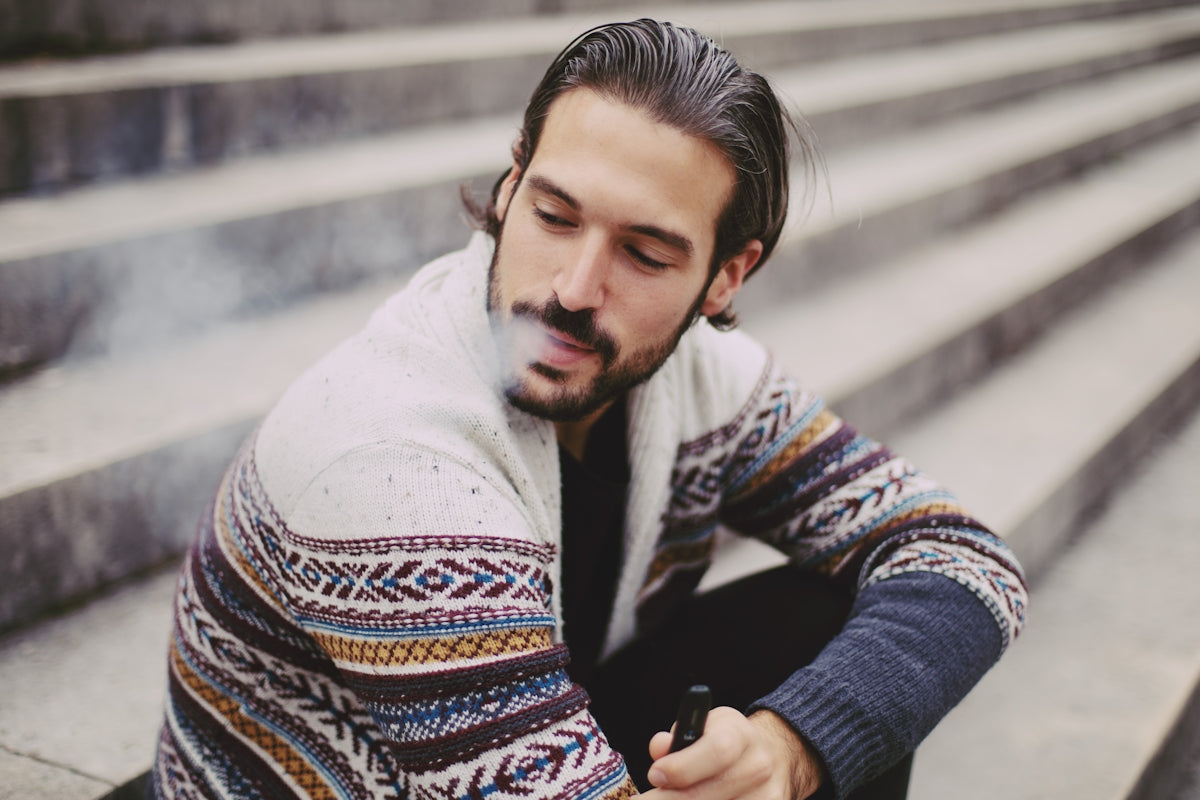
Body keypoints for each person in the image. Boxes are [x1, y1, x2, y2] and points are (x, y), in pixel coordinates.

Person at [150, 18, 1027, 800]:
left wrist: (791, 749)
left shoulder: (705, 381)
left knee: (839, 642)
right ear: (509, 186)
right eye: (555, 215)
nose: (573, 291)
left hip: (526, 740)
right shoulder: (391, 465)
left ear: (726, 276)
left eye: (645, 254)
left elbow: (962, 559)